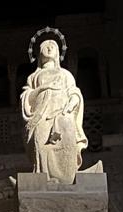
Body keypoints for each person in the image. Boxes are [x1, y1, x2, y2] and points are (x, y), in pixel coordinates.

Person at [21, 37, 87, 184]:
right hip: (41, 115)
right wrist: (44, 88)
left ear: (58, 52)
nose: (49, 48)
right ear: (39, 53)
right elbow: (26, 95)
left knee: (65, 143)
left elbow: (74, 92)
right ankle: (45, 176)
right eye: (46, 46)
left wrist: (70, 106)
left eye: (53, 46)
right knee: (40, 143)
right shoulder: (34, 76)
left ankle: (66, 177)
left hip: (62, 112)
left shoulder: (65, 74)